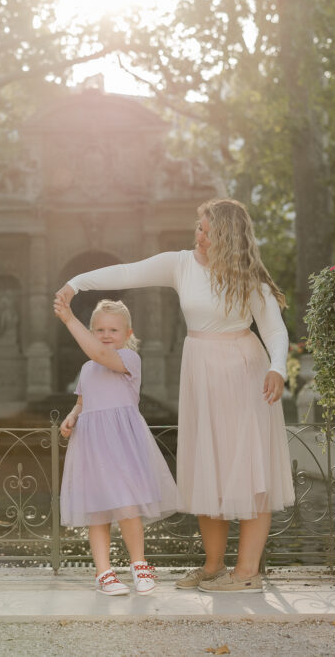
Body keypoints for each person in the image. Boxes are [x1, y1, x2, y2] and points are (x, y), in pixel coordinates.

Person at [55, 198, 294, 593]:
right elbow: (128, 272)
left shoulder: (250, 277)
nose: (198, 237)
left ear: (230, 237)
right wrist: (76, 282)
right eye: (199, 228)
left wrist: (278, 367)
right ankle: (214, 566)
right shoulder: (181, 264)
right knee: (207, 468)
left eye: (207, 232)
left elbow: (275, 330)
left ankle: (247, 571)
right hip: (199, 369)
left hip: (244, 372)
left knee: (251, 470)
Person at [54, 298, 177, 596]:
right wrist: (71, 417)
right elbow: (82, 402)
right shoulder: (86, 369)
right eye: (99, 329)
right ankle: (104, 572)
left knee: (127, 505)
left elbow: (101, 354)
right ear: (92, 332)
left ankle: (138, 564)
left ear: (127, 333)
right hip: (92, 446)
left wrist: (70, 320)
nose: (106, 335)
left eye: (113, 330)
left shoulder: (128, 359)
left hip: (121, 445)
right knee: (98, 511)